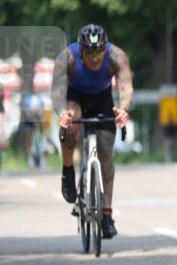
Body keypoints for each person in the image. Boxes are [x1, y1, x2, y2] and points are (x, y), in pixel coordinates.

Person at [52, 24, 133, 239]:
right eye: (90, 53)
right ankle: (68, 171)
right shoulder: (66, 58)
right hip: (75, 96)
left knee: (106, 150)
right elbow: (57, 92)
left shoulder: (116, 56)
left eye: (99, 53)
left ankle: (106, 215)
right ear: (80, 51)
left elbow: (125, 87)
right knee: (70, 125)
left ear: (105, 49)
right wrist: (61, 112)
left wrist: (124, 110)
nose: (95, 59)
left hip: (102, 99)